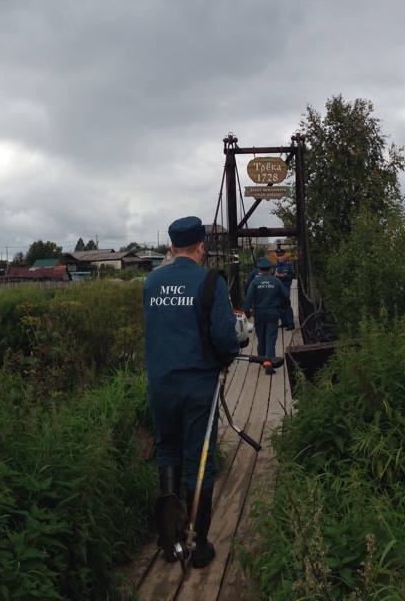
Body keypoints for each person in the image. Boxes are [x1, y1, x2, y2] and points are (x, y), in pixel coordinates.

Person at [143, 216, 240, 569]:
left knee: (168, 449)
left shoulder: (151, 282)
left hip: (161, 385)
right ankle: (196, 545)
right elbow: (226, 339)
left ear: (171, 248)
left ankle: (171, 540)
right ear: (202, 246)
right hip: (198, 386)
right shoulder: (210, 281)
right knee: (199, 460)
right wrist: (229, 352)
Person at [242, 257, 290, 357]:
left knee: (261, 339)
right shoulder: (276, 281)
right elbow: (286, 295)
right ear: (270, 269)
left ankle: (262, 359)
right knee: (270, 338)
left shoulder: (255, 282)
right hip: (273, 312)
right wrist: (283, 306)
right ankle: (269, 361)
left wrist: (247, 313)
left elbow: (248, 298)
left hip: (259, 313)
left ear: (259, 270)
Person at [274, 250, 296, 330]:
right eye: (278, 256)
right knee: (279, 304)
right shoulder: (275, 265)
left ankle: (290, 323)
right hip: (277, 287)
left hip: (285, 286)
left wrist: (284, 276)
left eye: (281, 256)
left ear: (284, 256)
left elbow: (293, 275)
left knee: (286, 304)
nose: (280, 258)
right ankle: (284, 322)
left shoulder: (288, 265)